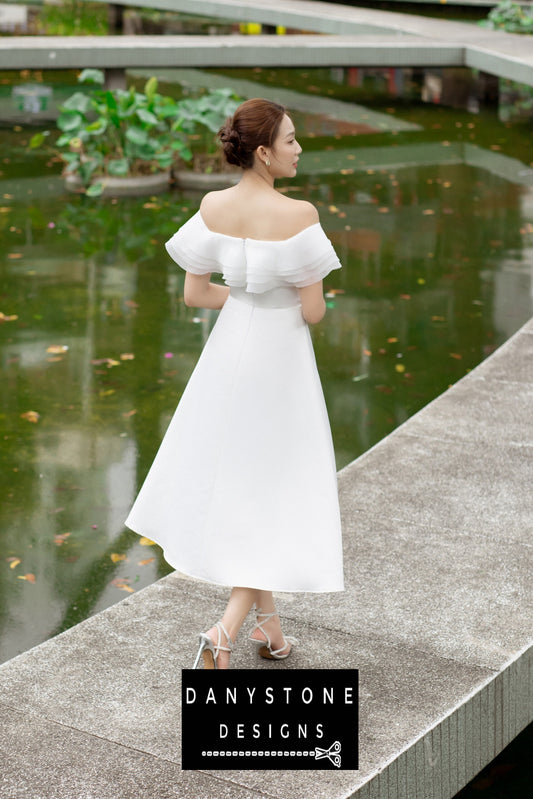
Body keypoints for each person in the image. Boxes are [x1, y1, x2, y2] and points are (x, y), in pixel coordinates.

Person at [125, 98, 344, 669]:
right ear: (265, 152)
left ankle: (269, 633)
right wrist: (271, 301)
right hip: (279, 363)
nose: (300, 149)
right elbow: (313, 311)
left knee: (251, 485)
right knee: (273, 487)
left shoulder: (212, 205)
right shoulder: (301, 217)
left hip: (228, 355)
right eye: (292, 140)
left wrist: (244, 301)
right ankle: (222, 634)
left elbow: (196, 293)